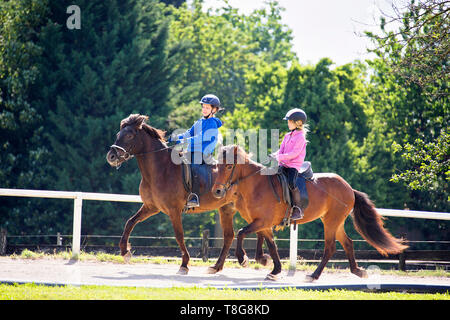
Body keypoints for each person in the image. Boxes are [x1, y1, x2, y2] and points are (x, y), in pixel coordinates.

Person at [169, 94, 223, 207]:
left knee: (193, 167)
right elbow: (188, 133)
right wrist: (175, 137)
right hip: (191, 152)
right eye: (203, 107)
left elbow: (200, 138)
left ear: (214, 110)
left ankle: (194, 196)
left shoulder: (212, 123)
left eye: (207, 108)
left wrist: (184, 141)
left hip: (203, 154)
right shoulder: (199, 122)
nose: (204, 110)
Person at [272, 108, 308, 220]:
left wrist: (280, 157)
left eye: (289, 121)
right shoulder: (287, 135)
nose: (287, 123)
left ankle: (297, 209)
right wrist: (274, 154)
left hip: (293, 166)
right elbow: (281, 149)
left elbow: (294, 153)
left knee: (291, 183)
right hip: (283, 164)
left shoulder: (301, 137)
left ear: (297, 123)